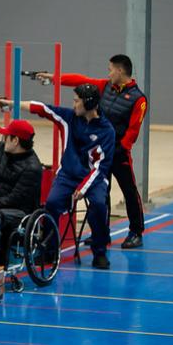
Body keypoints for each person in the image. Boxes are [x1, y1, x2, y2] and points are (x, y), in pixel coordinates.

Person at [0, 83, 115, 269]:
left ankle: (99, 251)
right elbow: (42, 108)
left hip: (94, 178)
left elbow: (101, 167)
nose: (73, 105)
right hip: (68, 175)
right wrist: (12, 103)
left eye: (77, 101)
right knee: (52, 203)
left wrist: (82, 188)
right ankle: (49, 251)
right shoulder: (68, 118)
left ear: (89, 104)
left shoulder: (107, 131)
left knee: (99, 204)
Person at [37, 54, 147, 248]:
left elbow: (132, 132)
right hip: (99, 152)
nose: (109, 72)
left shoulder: (139, 99)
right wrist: (54, 78)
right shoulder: (105, 86)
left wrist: (119, 149)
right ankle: (101, 233)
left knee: (129, 192)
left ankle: (136, 232)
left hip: (119, 154)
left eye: (111, 68)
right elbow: (81, 80)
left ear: (120, 70)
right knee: (102, 194)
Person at [0, 119, 42, 280]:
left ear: (15, 141)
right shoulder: (1, 150)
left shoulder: (33, 168)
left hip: (20, 212)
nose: (3, 139)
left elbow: (15, 198)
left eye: (6, 137)